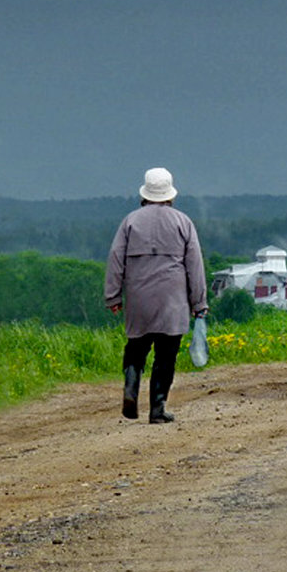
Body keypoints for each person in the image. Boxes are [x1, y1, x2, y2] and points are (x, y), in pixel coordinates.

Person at [104, 167, 208, 423]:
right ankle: (157, 410)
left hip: (139, 296)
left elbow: (116, 259)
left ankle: (131, 385)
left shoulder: (130, 221)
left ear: (145, 193)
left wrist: (113, 296)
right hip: (172, 298)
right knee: (166, 353)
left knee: (136, 347)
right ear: (170, 194)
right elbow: (194, 265)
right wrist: (199, 303)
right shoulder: (183, 221)